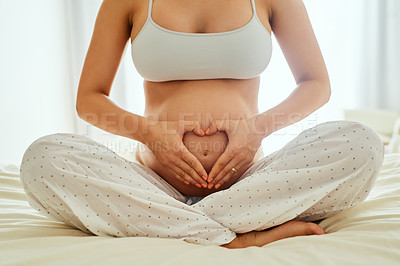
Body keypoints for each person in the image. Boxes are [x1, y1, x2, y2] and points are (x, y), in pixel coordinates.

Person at [20, 0, 384, 248]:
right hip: (153, 186)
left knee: (361, 144)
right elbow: (90, 99)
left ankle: (177, 225)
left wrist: (257, 128)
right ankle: (237, 235)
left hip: (250, 182)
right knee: (43, 158)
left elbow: (316, 83)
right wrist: (149, 133)